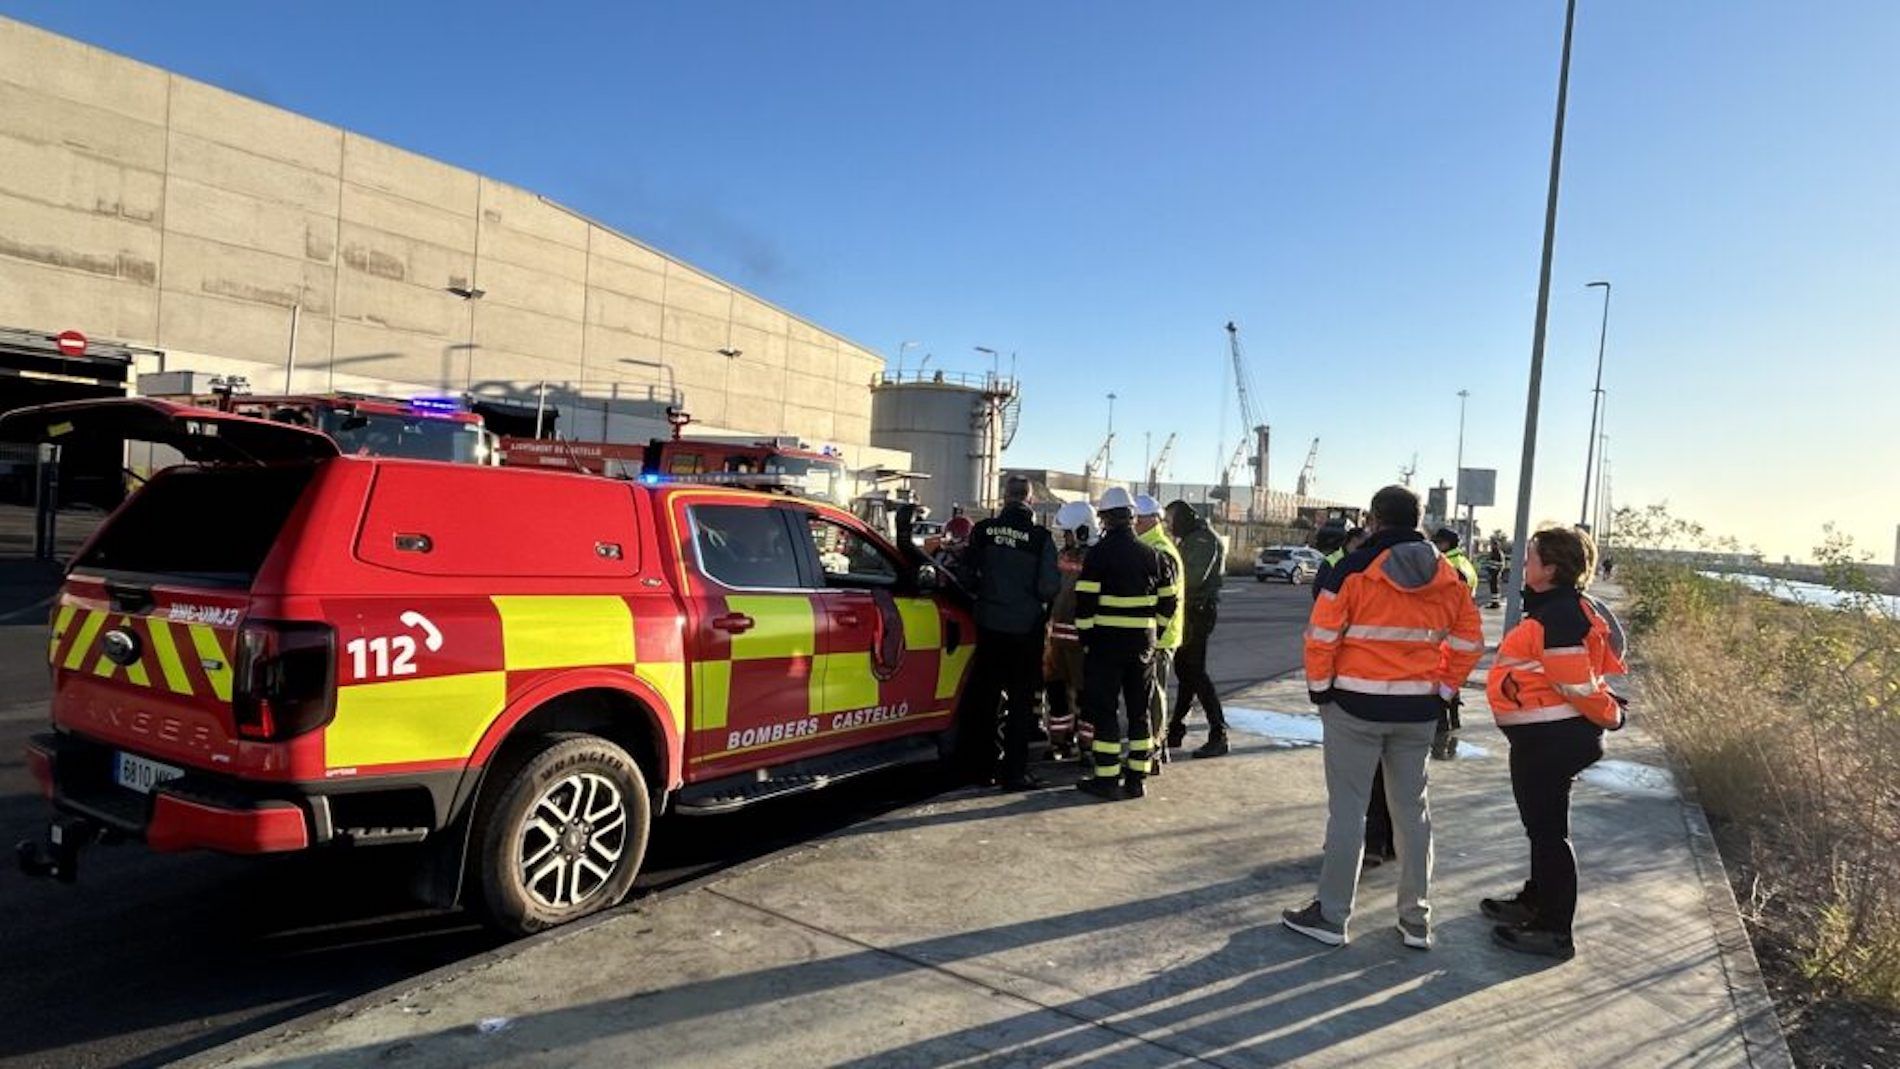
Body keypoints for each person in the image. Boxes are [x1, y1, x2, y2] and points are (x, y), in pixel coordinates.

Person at [1283, 485, 1484, 950]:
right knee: (1413, 810)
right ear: (1419, 521)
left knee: (1349, 810)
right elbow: (1470, 642)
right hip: (1417, 710)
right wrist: (1444, 690)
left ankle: (1332, 917)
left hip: (1354, 706)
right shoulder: (1448, 576)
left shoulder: (1352, 569)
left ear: (1374, 519)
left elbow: (1321, 638)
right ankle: (1416, 919)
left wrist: (1321, 692)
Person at [1483, 525, 1628, 960]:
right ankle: (1535, 901)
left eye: (1529, 557)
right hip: (1543, 740)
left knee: (1549, 834)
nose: (1522, 564)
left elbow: (1578, 686)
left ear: (1551, 568)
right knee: (1542, 830)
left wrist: (1614, 715)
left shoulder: (1559, 615)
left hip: (1553, 741)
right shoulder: (1554, 609)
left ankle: (1554, 930)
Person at [1075, 486, 1178, 801]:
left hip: (1105, 646)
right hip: (1142, 647)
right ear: (1132, 517)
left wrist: (1088, 640)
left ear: (1105, 518)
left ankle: (1106, 778)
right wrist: (1154, 632)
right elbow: (1170, 602)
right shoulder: (1154, 556)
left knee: (1106, 711)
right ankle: (1137, 779)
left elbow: (1085, 604)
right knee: (1139, 711)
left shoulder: (1098, 555)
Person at [962, 476, 1061, 789]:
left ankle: (982, 769)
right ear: (1030, 500)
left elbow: (967, 576)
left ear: (1004, 497)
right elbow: (1048, 587)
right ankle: (1014, 774)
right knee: (1020, 705)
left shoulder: (983, 531)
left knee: (986, 700)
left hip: (988, 628)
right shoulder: (1040, 537)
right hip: (1024, 633)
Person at [1161, 500, 1228, 758]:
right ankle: (1177, 729)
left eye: (1171, 519)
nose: (1169, 524)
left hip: (1197, 613)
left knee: (1195, 672)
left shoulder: (1202, 540)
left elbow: (1190, 578)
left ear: (1185, 517)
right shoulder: (1192, 537)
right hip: (1190, 612)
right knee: (1187, 672)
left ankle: (1218, 733)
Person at [1134, 494, 1185, 773]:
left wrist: (1156, 630)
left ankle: (1155, 748)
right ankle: (1155, 746)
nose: (1135, 524)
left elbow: (1167, 598)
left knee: (1155, 694)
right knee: (1151, 692)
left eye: (1139, 519)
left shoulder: (1159, 548)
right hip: (1157, 633)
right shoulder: (1151, 545)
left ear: (1153, 519)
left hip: (1159, 636)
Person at [1043, 500, 1095, 762]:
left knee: (1085, 696)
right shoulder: (1062, 555)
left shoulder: (1096, 559)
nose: (1064, 537)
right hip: (1056, 641)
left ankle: (1087, 746)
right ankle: (1060, 743)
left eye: (1068, 532)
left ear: (1083, 530)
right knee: (1056, 694)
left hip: (1081, 642)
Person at [1433, 527, 1480, 597]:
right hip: (1466, 601)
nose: (1436, 545)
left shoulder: (1447, 562)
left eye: (1440, 542)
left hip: (1452, 602)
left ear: (1448, 544)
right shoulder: (1462, 560)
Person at [1484, 536, 1506, 609]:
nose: (1491, 546)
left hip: (1495, 573)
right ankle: (1494, 602)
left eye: (1492, 545)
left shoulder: (1497, 553)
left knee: (1494, 588)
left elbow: (1498, 564)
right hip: (1493, 573)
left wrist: (1490, 567)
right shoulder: (1495, 552)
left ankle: (1495, 603)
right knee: (1493, 588)